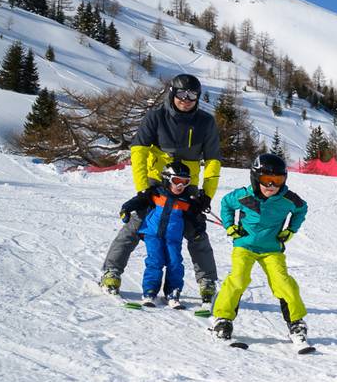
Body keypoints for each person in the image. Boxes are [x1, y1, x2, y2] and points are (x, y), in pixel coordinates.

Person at [100, 73, 222, 301]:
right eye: (181, 94)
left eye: (192, 95)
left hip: (187, 186)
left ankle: (207, 281)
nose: (186, 99)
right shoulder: (156, 117)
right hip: (157, 183)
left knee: (196, 232)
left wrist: (206, 194)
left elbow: (213, 160)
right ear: (172, 93)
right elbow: (139, 151)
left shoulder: (205, 122)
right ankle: (111, 271)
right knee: (135, 225)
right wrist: (143, 188)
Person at [210, 153, 310, 344]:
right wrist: (230, 226)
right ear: (255, 178)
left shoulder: (288, 199)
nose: (271, 186)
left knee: (283, 283)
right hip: (245, 246)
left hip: (271, 249)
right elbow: (226, 204)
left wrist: (291, 230)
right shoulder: (245, 195)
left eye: (277, 180)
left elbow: (301, 209)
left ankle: (296, 322)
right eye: (266, 180)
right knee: (238, 279)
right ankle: (222, 319)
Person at [118, 160, 208, 305]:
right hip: (153, 234)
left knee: (175, 263)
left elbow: (194, 217)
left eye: (185, 182)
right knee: (155, 261)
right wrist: (126, 209)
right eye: (177, 181)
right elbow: (139, 200)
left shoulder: (185, 201)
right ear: (167, 179)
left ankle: (173, 292)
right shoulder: (155, 193)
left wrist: (199, 225)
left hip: (173, 238)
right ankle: (150, 291)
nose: (180, 186)